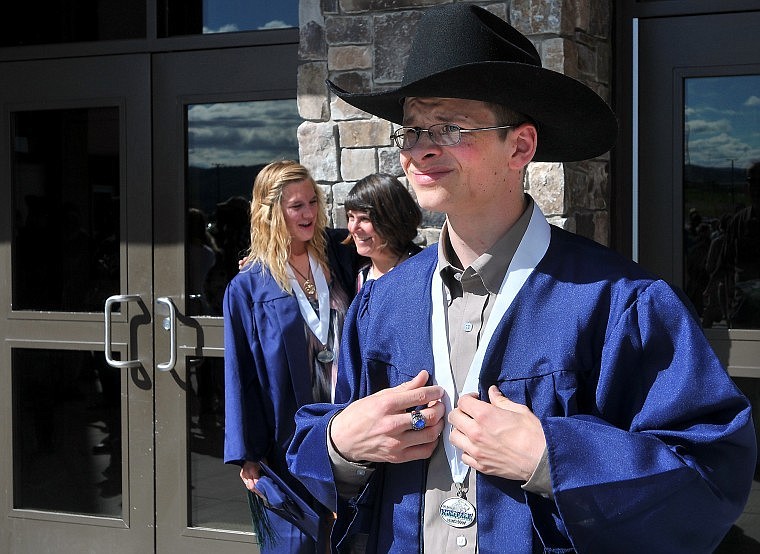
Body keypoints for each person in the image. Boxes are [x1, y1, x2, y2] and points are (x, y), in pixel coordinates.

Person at [287, 4, 756, 553]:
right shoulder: (384, 303)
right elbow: (315, 462)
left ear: (521, 146)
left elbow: (708, 475)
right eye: (411, 130)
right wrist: (340, 444)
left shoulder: (619, 304)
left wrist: (554, 457)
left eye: (450, 127)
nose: (420, 150)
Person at [223, 160, 358, 553]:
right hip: (289, 438)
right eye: (296, 206)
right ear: (271, 213)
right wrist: (247, 454)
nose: (309, 213)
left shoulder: (337, 256)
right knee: (297, 542)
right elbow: (239, 372)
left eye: (313, 202)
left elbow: (393, 249)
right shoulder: (248, 287)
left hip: (347, 425)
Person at [343, 173, 422, 291]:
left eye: (364, 219)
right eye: (351, 217)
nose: (353, 228)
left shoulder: (422, 271)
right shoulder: (360, 276)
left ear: (391, 219)